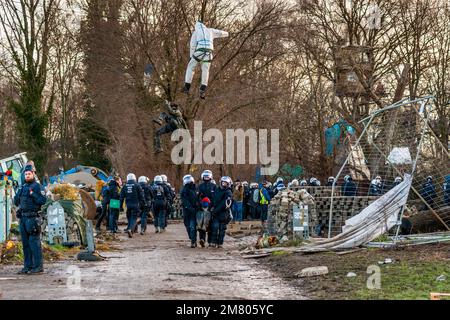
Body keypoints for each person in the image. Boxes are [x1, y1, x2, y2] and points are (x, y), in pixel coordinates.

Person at [183, 21, 229, 99]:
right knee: (205, 70)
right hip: (209, 53)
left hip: (200, 51)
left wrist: (191, 56)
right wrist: (227, 34)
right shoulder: (210, 30)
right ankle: (203, 88)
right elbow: (220, 33)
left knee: (191, 67)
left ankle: (187, 87)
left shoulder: (196, 32)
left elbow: (192, 45)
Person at [14, 167, 47, 274]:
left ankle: (38, 267)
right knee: (25, 244)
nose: (27, 176)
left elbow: (43, 200)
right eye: (26, 174)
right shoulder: (23, 187)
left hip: (33, 218)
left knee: (34, 243)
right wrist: (18, 192)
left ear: (33, 174)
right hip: (23, 218)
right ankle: (28, 267)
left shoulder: (37, 186)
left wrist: (33, 194)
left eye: (29, 174)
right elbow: (16, 202)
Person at [120, 173, 145, 238]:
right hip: (136, 205)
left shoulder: (124, 186)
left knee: (129, 217)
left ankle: (130, 228)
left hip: (128, 205)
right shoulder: (137, 185)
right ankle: (130, 229)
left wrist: (120, 206)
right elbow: (141, 196)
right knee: (134, 218)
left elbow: (121, 197)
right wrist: (143, 203)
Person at [210, 176, 233, 248]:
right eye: (223, 183)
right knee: (215, 227)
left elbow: (224, 203)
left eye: (225, 183)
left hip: (224, 213)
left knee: (222, 229)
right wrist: (211, 207)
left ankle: (220, 243)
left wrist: (216, 210)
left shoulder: (228, 192)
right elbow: (213, 199)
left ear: (228, 184)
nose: (224, 184)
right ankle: (213, 242)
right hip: (216, 213)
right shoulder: (216, 190)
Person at [198, 170, 216, 247]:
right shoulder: (200, 186)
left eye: (208, 176)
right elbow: (197, 197)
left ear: (211, 177)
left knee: (210, 225)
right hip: (202, 208)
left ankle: (210, 241)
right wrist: (200, 205)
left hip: (211, 208)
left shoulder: (214, 186)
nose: (206, 177)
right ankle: (202, 239)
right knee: (202, 224)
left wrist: (213, 206)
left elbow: (216, 197)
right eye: (205, 176)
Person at [180, 174, 199, 247]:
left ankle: (193, 241)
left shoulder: (195, 189)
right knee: (188, 226)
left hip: (194, 211)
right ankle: (192, 238)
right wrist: (191, 208)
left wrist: (197, 206)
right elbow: (185, 201)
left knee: (192, 227)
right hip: (187, 211)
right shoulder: (184, 190)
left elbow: (198, 199)